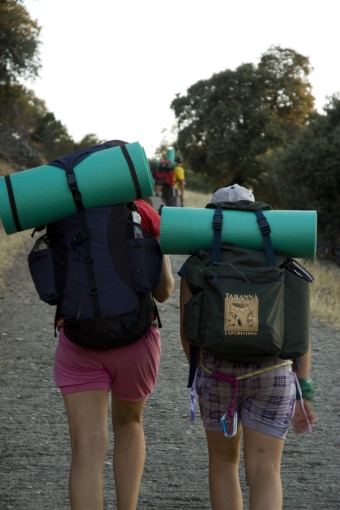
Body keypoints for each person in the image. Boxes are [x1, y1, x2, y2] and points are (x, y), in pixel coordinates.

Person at [178, 184, 317, 510]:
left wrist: (202, 374)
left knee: (224, 464)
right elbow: (299, 331)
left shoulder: (198, 260)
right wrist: (303, 391)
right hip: (273, 373)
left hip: (217, 374)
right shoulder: (282, 256)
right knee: (266, 469)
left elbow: (188, 332)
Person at [54, 198, 174, 510]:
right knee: (129, 423)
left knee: (86, 448)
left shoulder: (64, 208)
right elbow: (163, 291)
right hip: (135, 339)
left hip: (79, 340)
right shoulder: (143, 212)